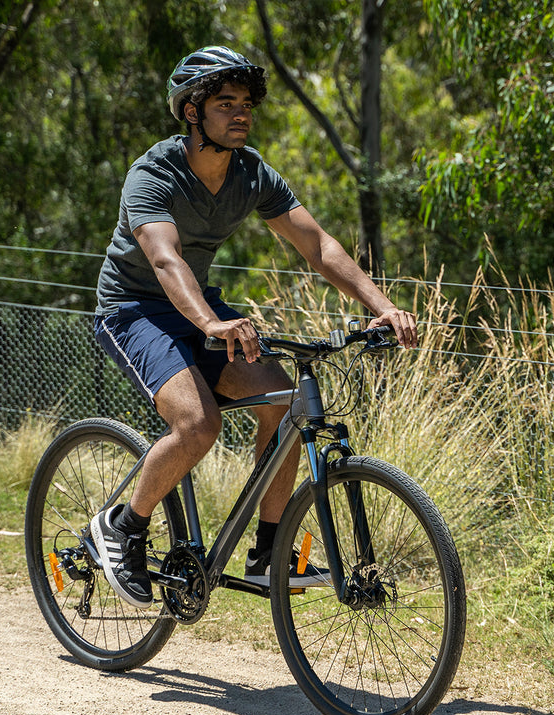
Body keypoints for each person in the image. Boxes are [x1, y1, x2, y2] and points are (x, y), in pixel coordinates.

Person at [91, 45, 417, 608]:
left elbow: (316, 243)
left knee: (286, 404)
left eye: (246, 103)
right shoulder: (153, 172)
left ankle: (270, 552)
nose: (240, 113)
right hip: (136, 307)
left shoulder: (250, 173)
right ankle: (123, 526)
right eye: (225, 103)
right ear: (192, 111)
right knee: (197, 425)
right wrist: (212, 323)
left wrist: (379, 305)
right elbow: (165, 259)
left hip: (202, 308)